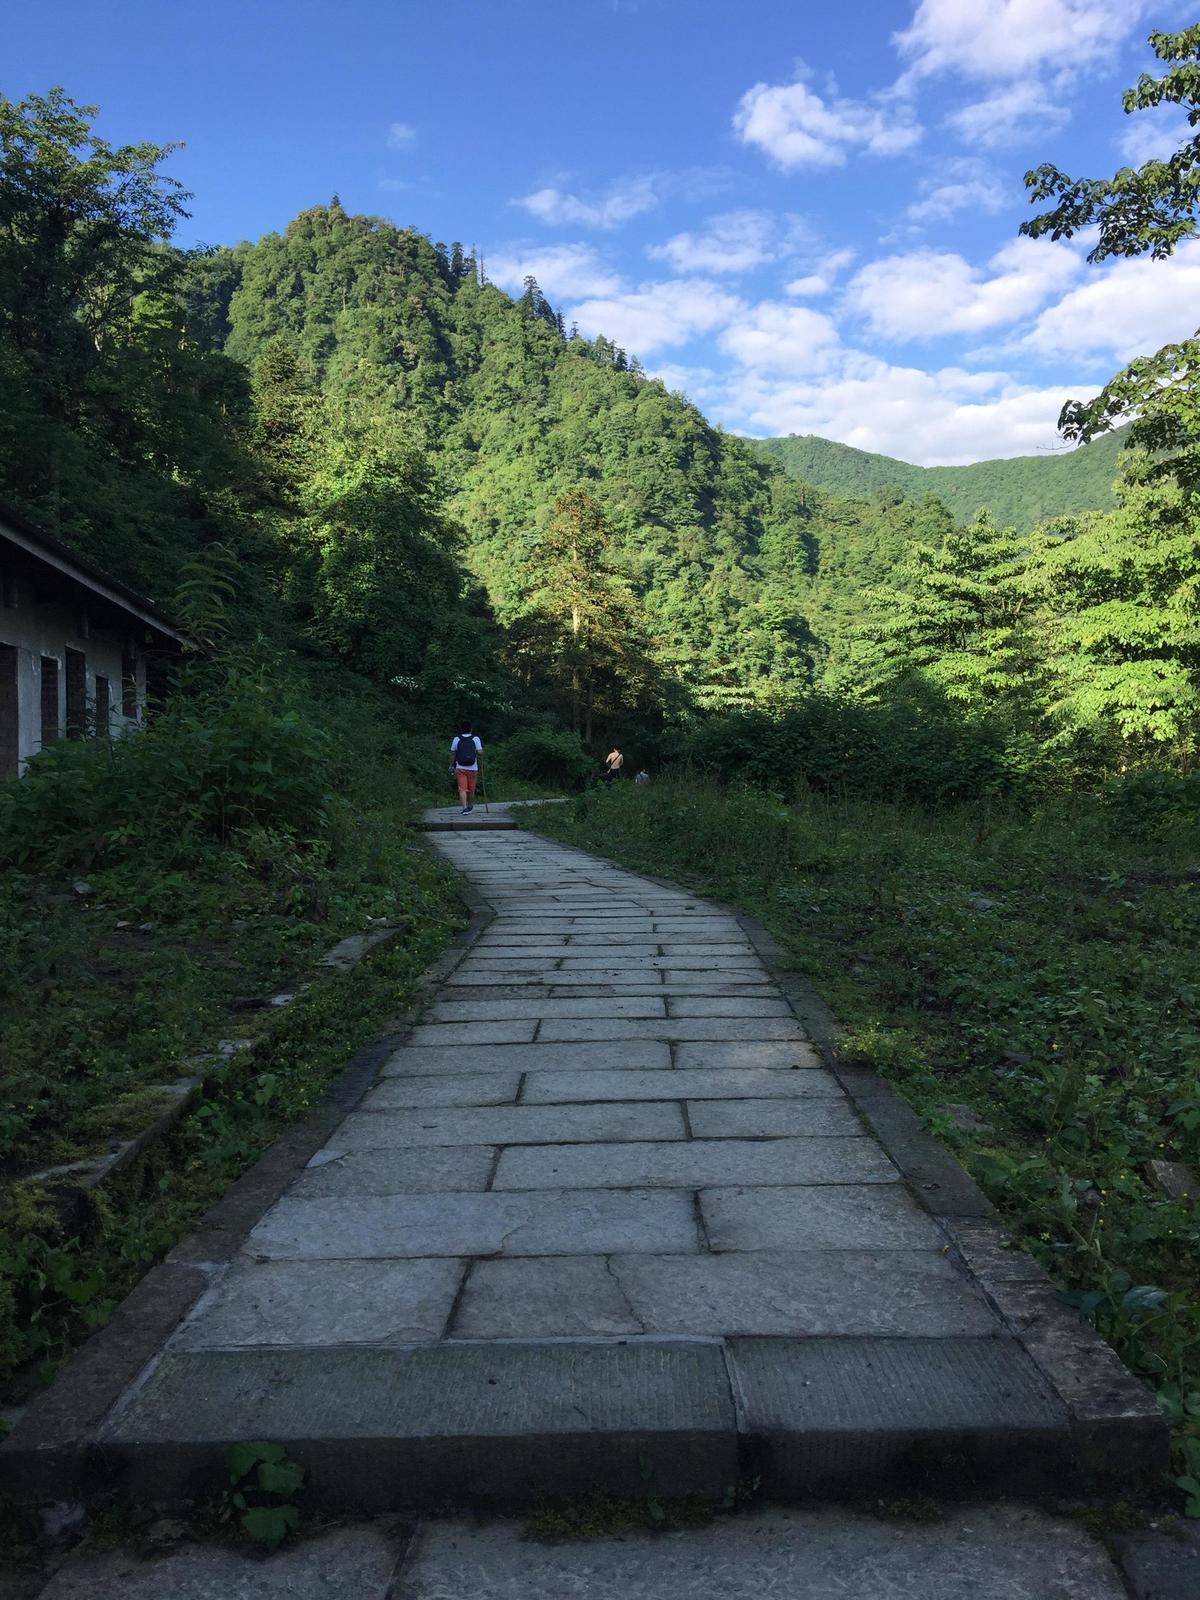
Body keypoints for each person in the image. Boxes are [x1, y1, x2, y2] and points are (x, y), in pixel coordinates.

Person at [450, 722, 482, 814]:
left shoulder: (457, 739)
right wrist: (481, 752)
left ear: (461, 729)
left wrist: (451, 765)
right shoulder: (475, 738)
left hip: (460, 767)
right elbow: (479, 752)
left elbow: (453, 753)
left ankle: (464, 808)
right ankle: (470, 806)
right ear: (471, 729)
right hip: (473, 768)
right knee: (471, 789)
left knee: (462, 788)